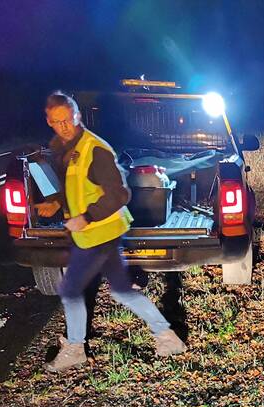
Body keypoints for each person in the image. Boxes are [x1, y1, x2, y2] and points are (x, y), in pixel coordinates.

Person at [35, 91, 185, 372]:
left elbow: (120, 194)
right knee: (122, 291)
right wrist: (57, 202)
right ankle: (166, 336)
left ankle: (76, 348)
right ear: (49, 121)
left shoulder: (96, 149)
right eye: (57, 122)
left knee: (70, 289)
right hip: (95, 234)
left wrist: (87, 217)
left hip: (100, 233)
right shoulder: (65, 148)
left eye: (67, 120)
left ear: (77, 116)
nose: (63, 126)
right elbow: (77, 188)